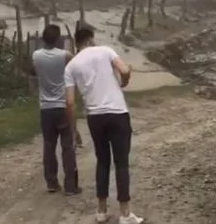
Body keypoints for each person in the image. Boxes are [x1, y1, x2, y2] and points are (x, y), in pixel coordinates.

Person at [64, 25, 143, 224]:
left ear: (77, 43)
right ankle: (125, 214)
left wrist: (74, 130)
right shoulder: (106, 51)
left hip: (95, 117)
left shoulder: (71, 66)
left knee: (103, 161)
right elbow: (124, 70)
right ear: (91, 39)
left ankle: (101, 211)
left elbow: (70, 102)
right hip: (117, 113)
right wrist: (124, 80)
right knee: (121, 162)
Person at [31, 24, 80, 195]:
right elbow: (77, 65)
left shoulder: (36, 55)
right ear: (59, 39)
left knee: (49, 146)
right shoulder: (65, 55)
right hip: (63, 106)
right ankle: (70, 185)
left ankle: (51, 182)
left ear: (43, 39)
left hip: (46, 107)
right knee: (67, 146)